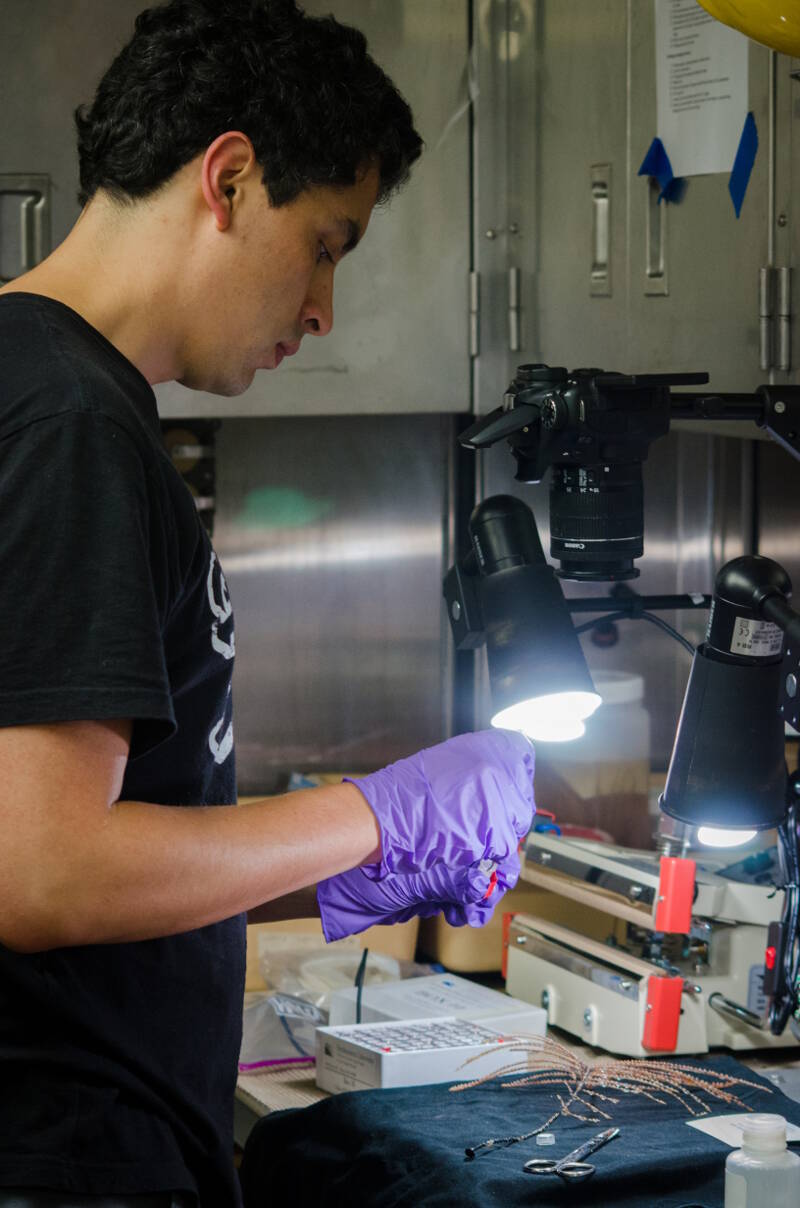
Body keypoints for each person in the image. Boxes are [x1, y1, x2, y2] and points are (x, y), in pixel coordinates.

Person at [0, 2, 536, 1205]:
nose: (320, 309)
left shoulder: (49, 388)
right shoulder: (65, 419)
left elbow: (108, 823)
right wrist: (378, 813)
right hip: (66, 1158)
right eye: (326, 245)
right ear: (229, 178)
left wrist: (361, 860)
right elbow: (40, 869)